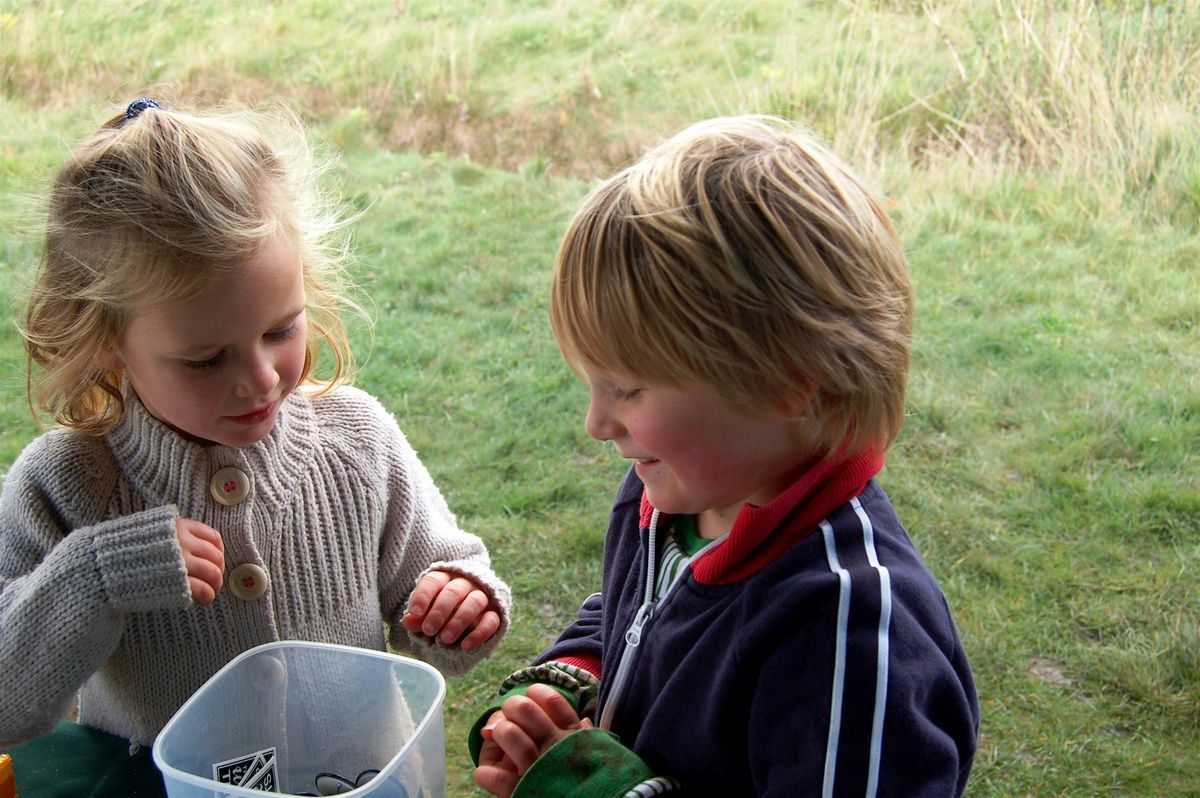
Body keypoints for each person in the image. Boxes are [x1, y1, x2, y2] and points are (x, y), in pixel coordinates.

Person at [0, 97, 511, 792]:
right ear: (107, 343)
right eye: (207, 358)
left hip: (363, 780)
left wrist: (457, 602)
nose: (261, 379)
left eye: (281, 330)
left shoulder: (356, 440)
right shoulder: (66, 484)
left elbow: (439, 572)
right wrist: (92, 576)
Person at [470, 115, 979, 797]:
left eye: (626, 388)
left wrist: (596, 790)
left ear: (784, 383)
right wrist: (566, 685)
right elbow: (633, 616)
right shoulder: (672, 497)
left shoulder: (846, 636)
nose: (596, 424)